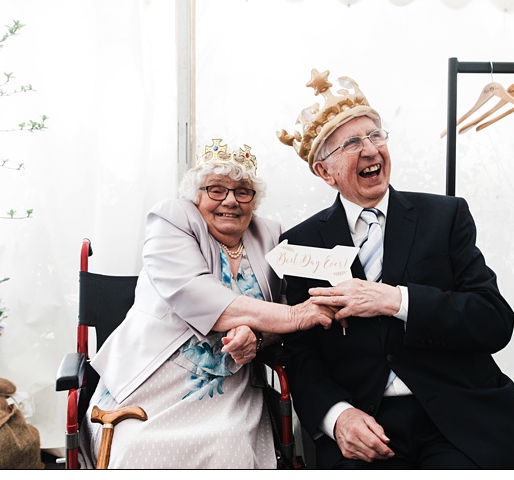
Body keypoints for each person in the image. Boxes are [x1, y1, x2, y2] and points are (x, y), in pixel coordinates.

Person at [275, 69, 514, 469]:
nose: (370, 150)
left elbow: (494, 320)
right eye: (351, 142)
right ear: (323, 171)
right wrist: (337, 417)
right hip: (363, 422)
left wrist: (396, 300)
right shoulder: (299, 245)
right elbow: (300, 353)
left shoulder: (445, 216)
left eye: (375, 135)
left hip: (457, 414)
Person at [86, 141, 336, 468]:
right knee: (137, 449)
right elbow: (196, 293)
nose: (230, 200)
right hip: (154, 378)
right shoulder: (171, 220)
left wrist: (258, 338)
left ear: (254, 200)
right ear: (196, 196)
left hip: (228, 389)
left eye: (243, 191)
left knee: (229, 446)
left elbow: (280, 326)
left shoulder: (270, 235)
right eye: (216, 190)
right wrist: (295, 315)